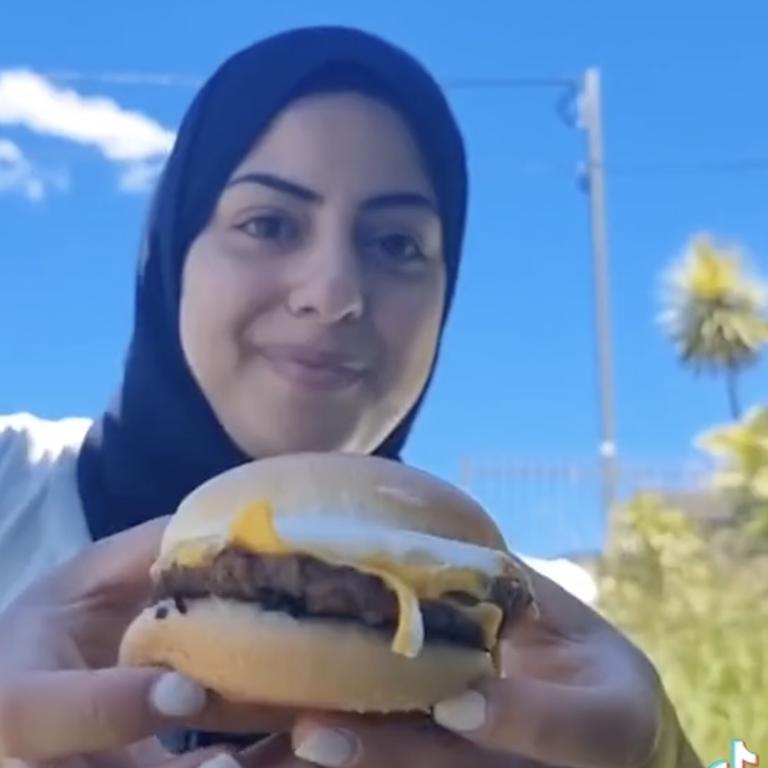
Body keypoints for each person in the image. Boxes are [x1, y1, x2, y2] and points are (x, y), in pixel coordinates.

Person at [0, 26, 701, 768]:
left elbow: (745, 753)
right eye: (268, 224)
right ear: (172, 252)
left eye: (396, 243)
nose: (334, 294)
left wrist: (671, 756)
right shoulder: (13, 481)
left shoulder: (544, 630)